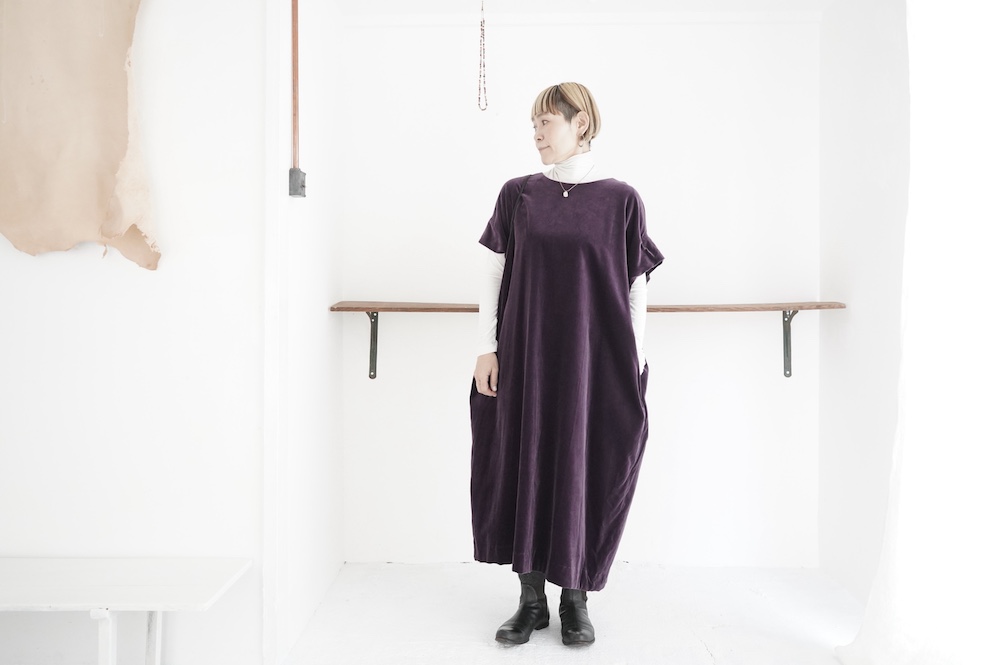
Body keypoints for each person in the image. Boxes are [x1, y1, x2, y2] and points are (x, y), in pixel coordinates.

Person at [469, 82, 664, 647]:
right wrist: (486, 347)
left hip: (592, 360)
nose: (536, 133)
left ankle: (574, 599)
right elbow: (493, 273)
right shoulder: (518, 195)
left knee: (583, 464)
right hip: (525, 354)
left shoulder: (621, 200)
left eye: (546, 122)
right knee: (522, 461)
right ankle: (531, 601)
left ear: (581, 123)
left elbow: (636, 287)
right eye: (533, 124)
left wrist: (633, 360)